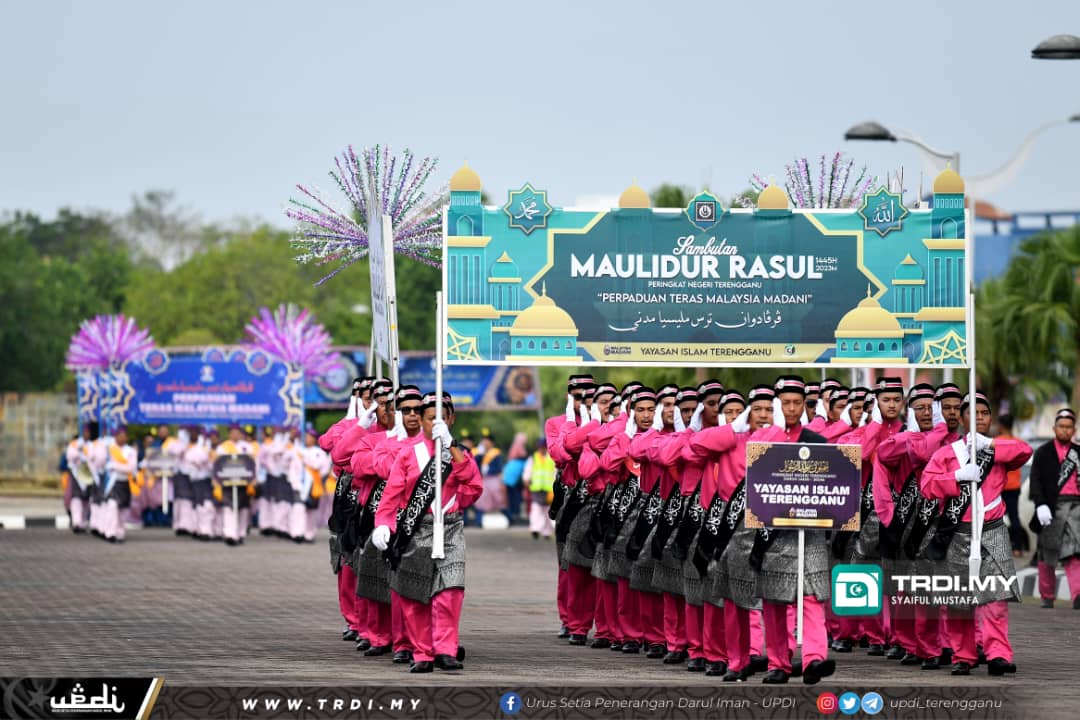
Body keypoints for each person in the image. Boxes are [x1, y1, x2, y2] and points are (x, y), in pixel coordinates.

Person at [921, 391, 1031, 676]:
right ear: (962, 417)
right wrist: (956, 477)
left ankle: (998, 654)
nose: (979, 418)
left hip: (993, 530)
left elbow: (1024, 451)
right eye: (973, 413)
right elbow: (927, 486)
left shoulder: (997, 449)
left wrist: (990, 444)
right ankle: (963, 655)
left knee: (995, 598)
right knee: (959, 600)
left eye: (984, 413)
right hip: (957, 532)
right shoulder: (947, 453)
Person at [372, 391, 483, 672]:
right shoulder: (408, 454)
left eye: (442, 418)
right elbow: (392, 494)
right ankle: (422, 652)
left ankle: (445, 650)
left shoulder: (458, 453)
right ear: (421, 420)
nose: (436, 424)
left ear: (451, 420)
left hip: (450, 528)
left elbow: (471, 482)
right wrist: (383, 522)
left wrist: (451, 446)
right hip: (416, 529)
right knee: (414, 594)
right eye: (431, 418)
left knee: (450, 591)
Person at [749, 375, 834, 685]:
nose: (792, 408)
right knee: (774, 599)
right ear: (777, 405)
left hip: (809, 530)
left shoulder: (818, 442)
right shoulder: (761, 440)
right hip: (773, 531)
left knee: (811, 596)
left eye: (797, 403)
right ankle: (778, 663)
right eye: (786, 403)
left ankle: (814, 659)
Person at [1029, 408, 1080, 609]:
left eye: (1069, 427)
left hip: (1076, 508)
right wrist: (1040, 504)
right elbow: (1035, 480)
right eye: (1061, 426)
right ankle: (1047, 595)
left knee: (1074, 551)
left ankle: (1078, 594)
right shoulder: (1043, 452)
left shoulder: (1078, 452)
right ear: (1054, 428)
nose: (1065, 430)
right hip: (1051, 507)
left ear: (1074, 429)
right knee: (1047, 552)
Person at [214, 424, 259, 546]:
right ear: (229, 433)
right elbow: (217, 465)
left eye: (237, 432)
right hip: (227, 483)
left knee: (243, 508)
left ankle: (240, 533)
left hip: (244, 483)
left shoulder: (247, 447)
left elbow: (254, 463)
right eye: (232, 432)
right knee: (229, 507)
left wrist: (254, 479)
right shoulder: (222, 447)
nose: (235, 434)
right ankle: (230, 534)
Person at [996, 414, 1028, 557]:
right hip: (1014, 487)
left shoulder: (996, 442)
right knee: (1014, 517)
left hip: (999, 487)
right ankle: (1017, 548)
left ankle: (997, 546)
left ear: (1001, 425)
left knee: (995, 518)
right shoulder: (1019, 443)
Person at [294, 426, 331, 543]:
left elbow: (321, 467)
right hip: (301, 485)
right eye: (306, 437)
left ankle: (309, 534)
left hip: (313, 485)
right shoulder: (300, 451)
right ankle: (298, 533)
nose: (307, 439)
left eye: (309, 437)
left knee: (312, 510)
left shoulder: (319, 453)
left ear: (314, 439)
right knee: (299, 509)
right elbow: (295, 469)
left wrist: (306, 460)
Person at [101, 426, 138, 543]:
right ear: (115, 437)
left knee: (123, 510)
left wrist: (115, 466)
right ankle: (110, 533)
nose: (121, 438)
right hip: (113, 482)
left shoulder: (131, 451)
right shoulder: (109, 449)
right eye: (119, 436)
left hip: (125, 483)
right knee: (112, 507)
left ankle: (119, 533)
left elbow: (131, 468)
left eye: (124, 436)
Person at [65, 422, 102, 533]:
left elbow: (97, 458)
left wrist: (87, 456)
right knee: (76, 499)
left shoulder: (93, 445)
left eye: (88, 432)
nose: (87, 434)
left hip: (89, 475)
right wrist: (79, 452)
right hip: (77, 475)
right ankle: (76, 523)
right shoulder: (75, 444)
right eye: (85, 432)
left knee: (87, 500)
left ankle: (84, 522)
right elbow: (69, 456)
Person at [470, 430, 506, 526]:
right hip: (482, 480)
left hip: (493, 479)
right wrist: (480, 454)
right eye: (483, 441)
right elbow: (474, 463)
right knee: (481, 501)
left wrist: (500, 480)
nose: (485, 443)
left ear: (491, 442)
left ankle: (508, 517)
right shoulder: (478, 452)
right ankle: (479, 521)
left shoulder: (495, 453)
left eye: (487, 441)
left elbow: (499, 468)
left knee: (498, 500)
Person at [524, 438, 555, 540]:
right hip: (536, 488)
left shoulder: (552, 458)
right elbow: (528, 470)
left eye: (543, 447)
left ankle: (547, 532)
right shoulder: (533, 458)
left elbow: (555, 472)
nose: (542, 449)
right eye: (540, 447)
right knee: (536, 509)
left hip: (549, 489)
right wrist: (526, 479)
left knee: (547, 511)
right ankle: (535, 529)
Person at [503, 432, 528, 525]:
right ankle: (514, 515)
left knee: (512, 497)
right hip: (514, 478)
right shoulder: (519, 449)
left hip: (510, 477)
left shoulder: (513, 449)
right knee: (515, 497)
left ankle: (512, 514)